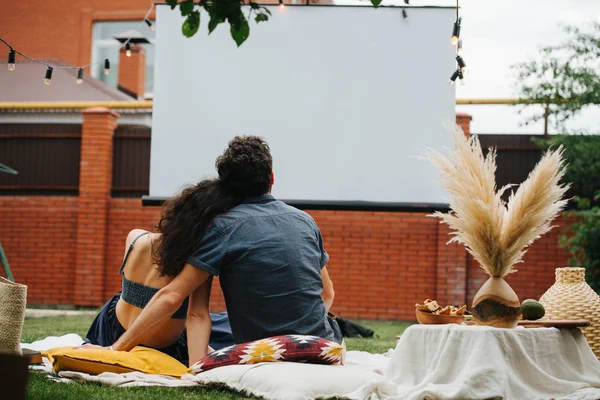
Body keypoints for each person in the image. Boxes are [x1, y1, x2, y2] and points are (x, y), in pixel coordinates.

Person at [92, 136, 342, 366]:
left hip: (262, 353)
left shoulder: (221, 228)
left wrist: (115, 350)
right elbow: (327, 292)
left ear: (227, 184)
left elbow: (178, 301)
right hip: (325, 346)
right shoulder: (306, 221)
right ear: (272, 178)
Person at [83, 179, 238, 365]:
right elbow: (195, 315)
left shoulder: (135, 236)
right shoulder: (197, 263)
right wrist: (198, 369)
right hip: (157, 346)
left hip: (109, 327)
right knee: (225, 327)